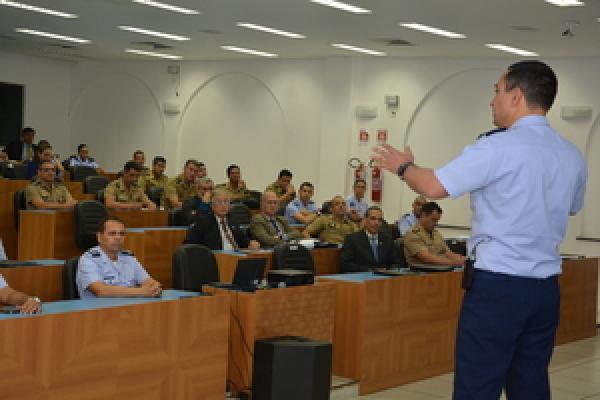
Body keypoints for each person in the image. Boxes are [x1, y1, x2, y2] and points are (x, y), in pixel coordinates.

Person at [373, 60, 587, 400]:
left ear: (516, 96)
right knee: (530, 383)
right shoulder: (571, 154)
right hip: (545, 291)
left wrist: (402, 166)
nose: (492, 100)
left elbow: (432, 186)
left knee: (478, 385)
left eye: (497, 91)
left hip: (498, 288)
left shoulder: (497, 147)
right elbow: (572, 206)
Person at [76, 217, 162, 298]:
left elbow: (148, 281)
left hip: (128, 309)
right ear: (99, 237)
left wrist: (154, 287)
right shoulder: (89, 259)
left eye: (121, 234)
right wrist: (142, 291)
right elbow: (100, 290)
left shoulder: (128, 257)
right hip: (98, 311)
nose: (118, 237)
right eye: (112, 233)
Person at [183, 189, 260, 250]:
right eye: (219, 202)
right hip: (216, 260)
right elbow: (189, 246)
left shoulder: (232, 220)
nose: (223, 205)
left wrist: (251, 243)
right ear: (211, 205)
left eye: (226, 202)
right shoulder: (203, 222)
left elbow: (242, 240)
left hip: (235, 258)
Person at [403, 202, 465, 267]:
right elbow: (426, 258)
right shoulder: (412, 234)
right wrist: (452, 263)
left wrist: (462, 259)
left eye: (437, 220)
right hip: (422, 273)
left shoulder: (436, 234)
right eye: (433, 220)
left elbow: (448, 253)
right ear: (423, 215)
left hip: (441, 269)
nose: (436, 223)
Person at [340, 206, 396, 273]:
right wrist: (370, 270)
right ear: (365, 220)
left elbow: (396, 262)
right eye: (373, 219)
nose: (376, 223)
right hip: (361, 277)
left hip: (384, 278)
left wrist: (389, 271)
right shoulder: (352, 239)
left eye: (379, 220)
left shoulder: (387, 240)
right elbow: (346, 264)